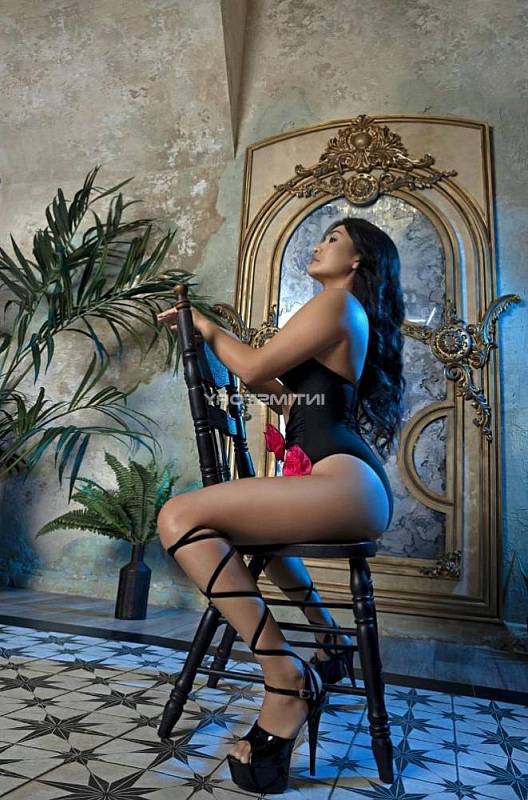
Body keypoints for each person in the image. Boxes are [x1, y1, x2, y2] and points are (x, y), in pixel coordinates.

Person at [155, 216, 405, 794]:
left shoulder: (337, 303)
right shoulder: (341, 313)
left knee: (177, 516)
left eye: (333, 239)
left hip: (345, 481)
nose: (319, 244)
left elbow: (252, 368)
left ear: (358, 260)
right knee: (253, 538)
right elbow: (289, 396)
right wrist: (217, 342)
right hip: (347, 482)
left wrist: (207, 328)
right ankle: (326, 641)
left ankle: (285, 676)